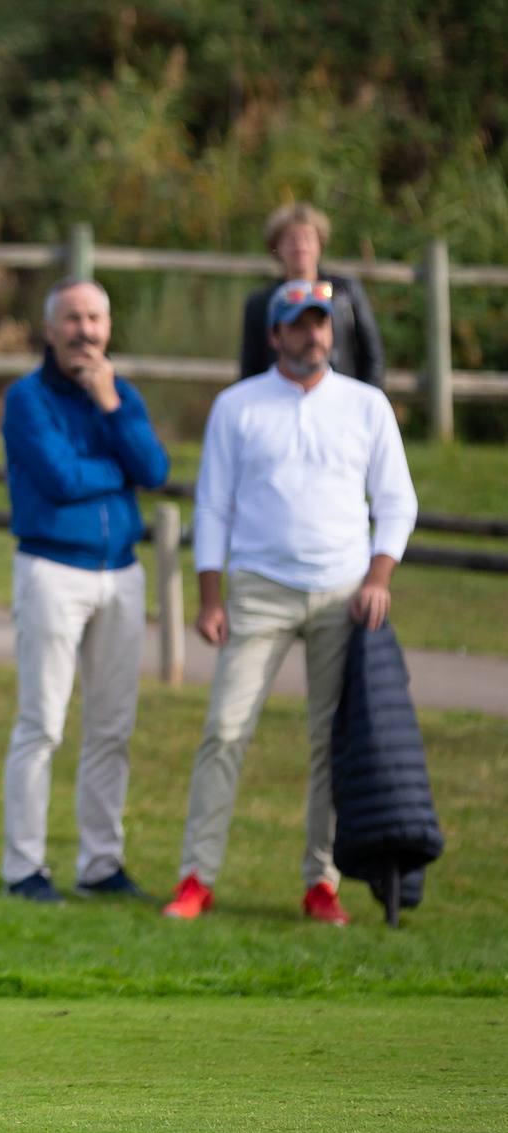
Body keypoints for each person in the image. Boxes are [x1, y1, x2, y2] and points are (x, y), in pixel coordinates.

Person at [163, 279, 417, 925]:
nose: (313, 335)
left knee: (328, 743)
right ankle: (196, 877)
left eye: (321, 323)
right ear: (274, 334)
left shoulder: (365, 405)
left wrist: (377, 577)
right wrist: (209, 597)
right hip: (256, 591)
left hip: (342, 592)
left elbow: (395, 502)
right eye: (299, 325)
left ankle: (320, 883)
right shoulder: (237, 406)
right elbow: (213, 504)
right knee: (224, 730)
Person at [0, 279, 172, 903]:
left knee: (111, 728)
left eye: (95, 318)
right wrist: (116, 467)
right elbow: (59, 478)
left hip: (121, 573)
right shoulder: (27, 399)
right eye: (73, 319)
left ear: (109, 328)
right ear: (51, 329)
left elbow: (154, 470)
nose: (85, 331)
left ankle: (101, 864)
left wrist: (111, 408)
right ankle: (24, 868)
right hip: (52, 570)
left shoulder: (121, 396)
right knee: (42, 723)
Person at [239, 203, 385, 390]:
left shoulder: (345, 293)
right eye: (291, 239)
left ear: (320, 243)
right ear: (277, 246)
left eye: (307, 238)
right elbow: (250, 366)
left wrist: (362, 402)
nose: (300, 246)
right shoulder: (261, 304)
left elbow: (373, 356)